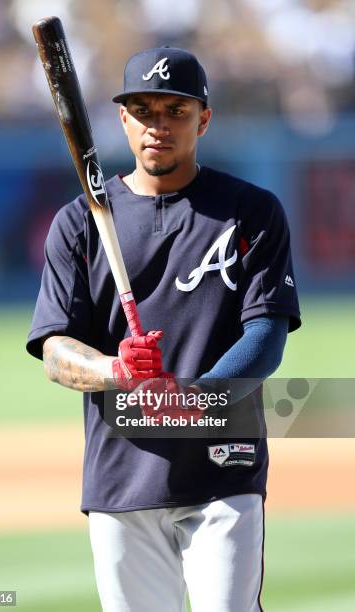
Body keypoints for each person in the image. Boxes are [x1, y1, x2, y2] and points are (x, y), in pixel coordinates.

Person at [27, 47, 301, 612]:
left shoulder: (251, 212)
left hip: (225, 467)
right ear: (122, 119)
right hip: (122, 476)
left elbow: (266, 337)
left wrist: (194, 399)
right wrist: (116, 370)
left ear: (203, 119)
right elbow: (55, 350)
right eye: (144, 110)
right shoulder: (79, 223)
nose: (159, 125)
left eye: (175, 111)